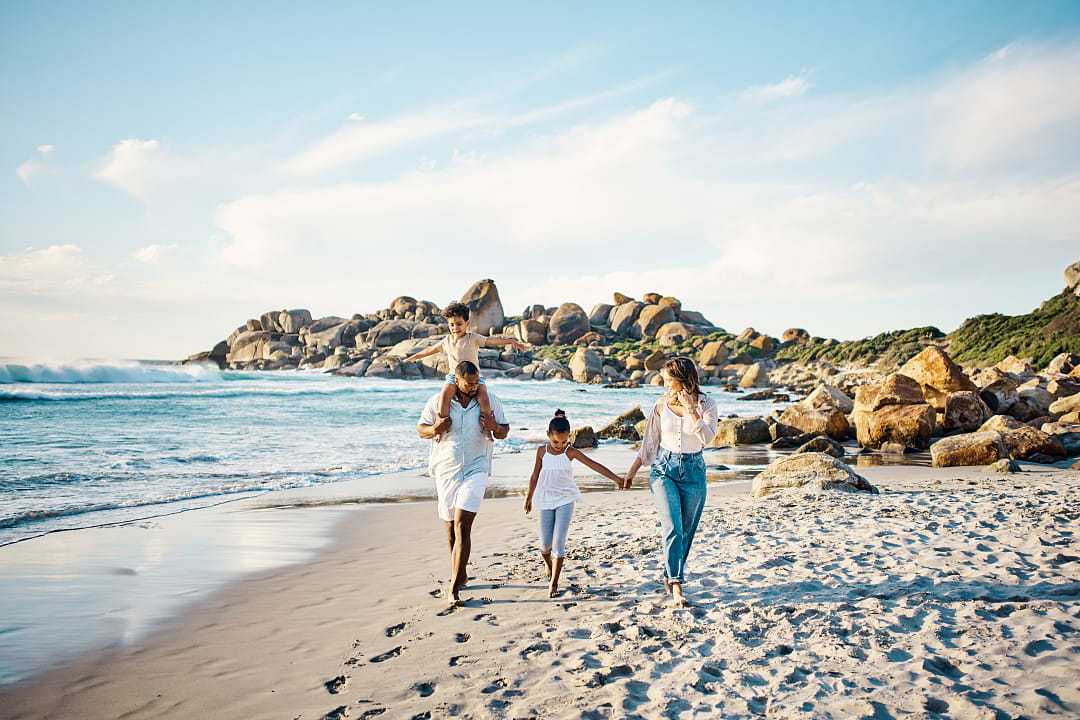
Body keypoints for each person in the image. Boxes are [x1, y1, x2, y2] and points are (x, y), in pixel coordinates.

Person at [623, 357, 719, 606]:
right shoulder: (660, 404)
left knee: (686, 532)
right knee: (673, 527)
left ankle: (669, 573)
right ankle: (676, 585)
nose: (665, 385)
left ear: (682, 379)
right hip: (664, 470)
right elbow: (650, 443)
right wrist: (632, 472)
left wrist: (691, 410)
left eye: (668, 380)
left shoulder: (708, 404)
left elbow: (707, 438)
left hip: (694, 472)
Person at [417, 361, 510, 604]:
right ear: (456, 381)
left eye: (476, 382)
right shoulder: (438, 402)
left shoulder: (491, 401)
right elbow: (421, 429)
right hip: (446, 471)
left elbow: (504, 430)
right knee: (450, 530)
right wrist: (435, 428)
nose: (473, 387)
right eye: (468, 383)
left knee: (462, 526)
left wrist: (495, 427)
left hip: (477, 468)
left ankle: (454, 587)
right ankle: (462, 572)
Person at [523, 410, 625, 597]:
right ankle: (549, 565)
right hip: (546, 499)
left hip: (566, 499)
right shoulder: (541, 452)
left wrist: (616, 479)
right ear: (548, 436)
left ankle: (554, 583)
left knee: (558, 542)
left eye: (564, 442)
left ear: (569, 438)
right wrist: (529, 497)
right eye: (556, 442)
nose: (560, 446)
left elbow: (594, 465)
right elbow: (534, 476)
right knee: (545, 546)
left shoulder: (570, 452)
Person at [405, 302, 528, 439]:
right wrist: (414, 357)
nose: (455, 328)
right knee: (444, 397)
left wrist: (510, 341)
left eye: (459, 324)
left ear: (467, 323)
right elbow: (430, 350)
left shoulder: (473, 338)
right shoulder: (447, 341)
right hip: (453, 377)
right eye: (451, 324)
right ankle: (440, 428)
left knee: (484, 399)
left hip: (474, 378)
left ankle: (487, 429)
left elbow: (491, 341)